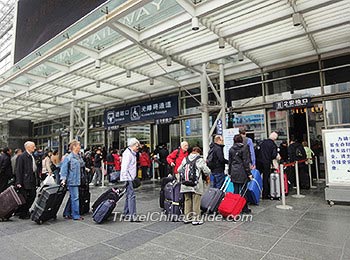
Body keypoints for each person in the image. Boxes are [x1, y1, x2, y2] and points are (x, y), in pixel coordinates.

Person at [178, 147, 210, 225]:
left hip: (185, 184)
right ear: (199, 152)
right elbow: (207, 171)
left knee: (187, 200)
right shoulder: (200, 159)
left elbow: (179, 169)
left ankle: (187, 218)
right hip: (196, 184)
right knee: (196, 201)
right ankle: (196, 219)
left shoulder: (185, 159)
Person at [60, 140, 84, 221]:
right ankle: (76, 215)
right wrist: (63, 179)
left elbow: (82, 164)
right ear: (74, 146)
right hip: (72, 180)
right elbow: (64, 169)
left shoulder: (78, 156)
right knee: (75, 198)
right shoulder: (68, 157)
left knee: (72, 197)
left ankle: (67, 213)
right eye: (79, 145)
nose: (80, 147)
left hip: (77, 179)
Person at [229, 134, 253, 214]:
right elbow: (246, 162)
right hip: (242, 171)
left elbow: (230, 162)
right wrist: (249, 173)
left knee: (235, 191)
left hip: (234, 171)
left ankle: (235, 208)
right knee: (243, 191)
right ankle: (244, 208)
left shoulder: (231, 149)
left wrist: (229, 172)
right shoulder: (244, 148)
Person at [120, 138, 141, 222]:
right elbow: (124, 167)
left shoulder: (131, 153)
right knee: (131, 196)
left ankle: (126, 213)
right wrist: (128, 179)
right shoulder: (128, 154)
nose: (138, 147)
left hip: (129, 178)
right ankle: (132, 215)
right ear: (132, 145)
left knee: (129, 196)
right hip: (128, 178)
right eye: (137, 146)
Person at [16, 141, 37, 219]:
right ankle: (23, 213)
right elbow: (19, 170)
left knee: (32, 195)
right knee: (25, 197)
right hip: (25, 180)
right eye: (33, 146)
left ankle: (25, 211)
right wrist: (18, 182)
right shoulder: (22, 156)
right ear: (28, 147)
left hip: (32, 179)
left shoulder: (32, 156)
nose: (34, 148)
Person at [256, 132, 280, 199]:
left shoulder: (262, 142)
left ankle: (255, 192)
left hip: (259, 162)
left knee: (257, 177)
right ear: (275, 139)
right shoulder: (273, 145)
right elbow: (274, 155)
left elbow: (257, 151)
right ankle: (265, 194)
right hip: (266, 163)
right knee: (266, 179)